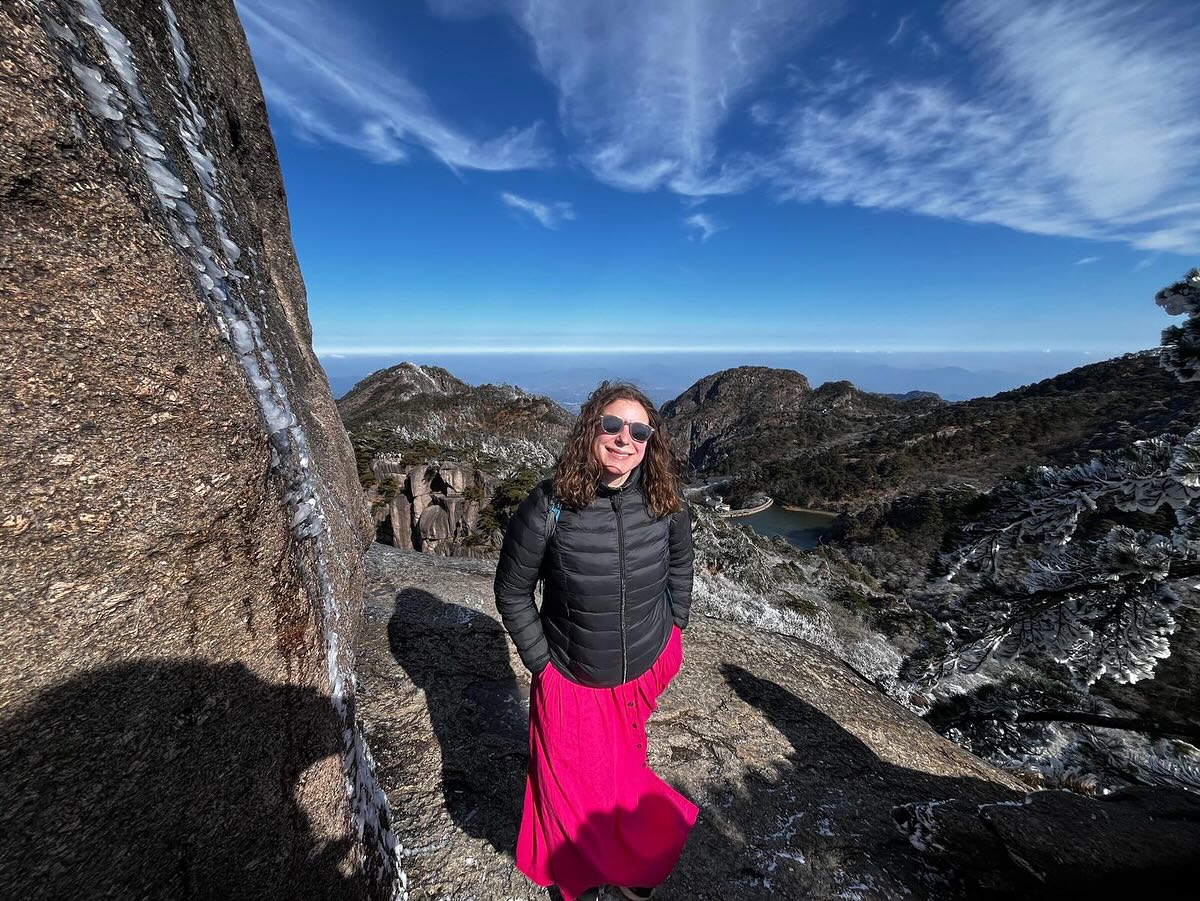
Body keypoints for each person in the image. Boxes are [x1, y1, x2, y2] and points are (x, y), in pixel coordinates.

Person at [494, 381, 698, 901]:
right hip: (573, 673)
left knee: (622, 774)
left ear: (650, 443)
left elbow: (680, 563)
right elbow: (512, 590)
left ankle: (628, 861)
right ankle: (584, 872)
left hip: (646, 663)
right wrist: (541, 663)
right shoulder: (549, 505)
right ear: (591, 429)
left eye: (639, 431)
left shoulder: (665, 501)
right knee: (572, 788)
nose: (624, 438)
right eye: (612, 425)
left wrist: (676, 624)